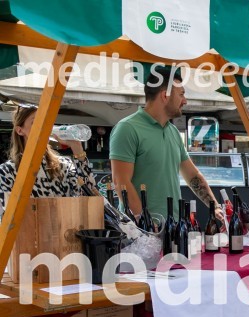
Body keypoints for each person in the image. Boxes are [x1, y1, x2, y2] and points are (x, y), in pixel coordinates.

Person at [110, 66, 222, 222]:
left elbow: (192, 176)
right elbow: (121, 182)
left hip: (174, 226)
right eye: (181, 94)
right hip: (142, 232)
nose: (185, 101)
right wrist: (145, 223)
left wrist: (215, 207)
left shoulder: (173, 132)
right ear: (165, 95)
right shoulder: (127, 128)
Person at [0, 105, 93, 214]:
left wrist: (77, 148)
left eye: (46, 121)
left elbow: (88, 195)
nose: (43, 126)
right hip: (30, 230)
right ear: (20, 131)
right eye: (36, 122)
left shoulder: (63, 165)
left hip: (65, 230)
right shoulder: (7, 171)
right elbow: (7, 217)